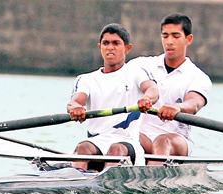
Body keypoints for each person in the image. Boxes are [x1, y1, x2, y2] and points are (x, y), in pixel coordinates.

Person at [67, 23, 159, 172]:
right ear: (100, 47)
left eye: (116, 43)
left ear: (127, 48)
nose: (110, 47)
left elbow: (152, 89)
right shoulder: (86, 79)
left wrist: (147, 99)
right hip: (97, 141)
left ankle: (107, 185)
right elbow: (76, 101)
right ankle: (72, 181)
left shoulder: (136, 73)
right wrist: (76, 108)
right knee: (82, 147)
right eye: (106, 43)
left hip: (127, 142)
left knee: (116, 149)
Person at [129, 13, 212, 165]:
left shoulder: (198, 77)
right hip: (143, 138)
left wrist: (177, 107)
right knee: (123, 137)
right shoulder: (141, 64)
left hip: (176, 140)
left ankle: (152, 182)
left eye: (175, 36)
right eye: (165, 36)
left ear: (188, 39)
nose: (169, 42)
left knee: (163, 141)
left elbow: (194, 104)